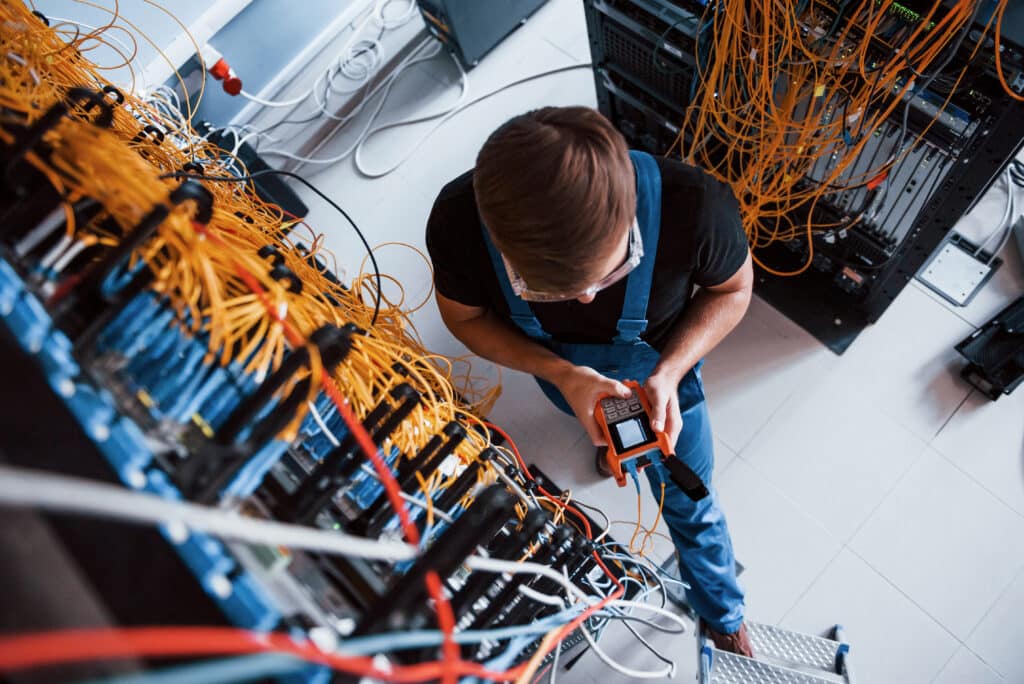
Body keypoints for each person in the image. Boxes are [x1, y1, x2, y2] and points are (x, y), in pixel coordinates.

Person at [424, 106, 754, 654]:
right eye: (550, 290)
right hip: (561, 377)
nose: (585, 300)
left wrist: (669, 373)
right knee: (616, 434)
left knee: (690, 500)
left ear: (631, 214)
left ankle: (723, 611)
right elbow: (466, 318)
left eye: (615, 272)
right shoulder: (459, 222)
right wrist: (563, 375)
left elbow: (734, 291)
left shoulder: (694, 205)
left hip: (667, 373)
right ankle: (615, 448)